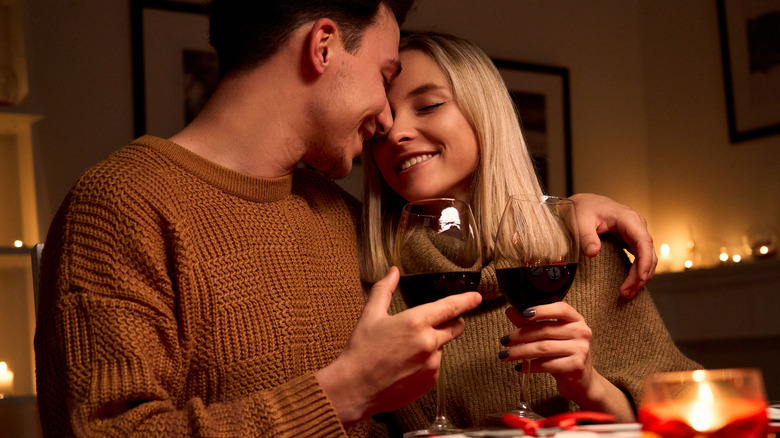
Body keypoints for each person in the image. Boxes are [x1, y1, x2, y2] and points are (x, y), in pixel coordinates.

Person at [34, 1, 657, 435]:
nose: (387, 121)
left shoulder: (343, 219)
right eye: (386, 77)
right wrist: (343, 394)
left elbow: (466, 249)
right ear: (323, 46)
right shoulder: (118, 205)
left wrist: (563, 213)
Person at [360, 31, 700, 433]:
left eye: (429, 105)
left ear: (485, 112)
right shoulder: (368, 285)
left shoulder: (583, 251)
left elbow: (686, 416)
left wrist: (589, 385)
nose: (397, 133)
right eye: (379, 125)